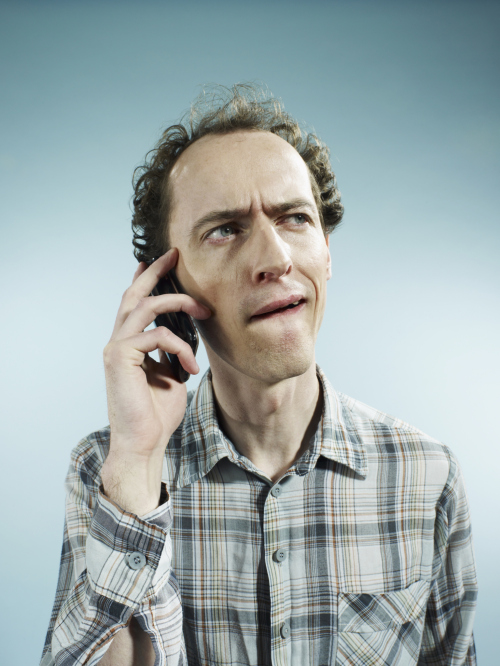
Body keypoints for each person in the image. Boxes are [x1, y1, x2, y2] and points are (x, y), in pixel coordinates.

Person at [41, 84, 478, 666]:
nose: (276, 259)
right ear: (168, 289)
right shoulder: (106, 471)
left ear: (327, 251)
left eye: (295, 218)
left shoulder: (428, 476)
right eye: (224, 229)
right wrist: (138, 466)